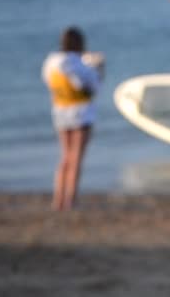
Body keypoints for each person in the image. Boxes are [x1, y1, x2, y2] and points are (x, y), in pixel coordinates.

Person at [42, 27, 105, 211]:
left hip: (60, 111)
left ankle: (57, 200)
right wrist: (99, 68)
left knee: (65, 157)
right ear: (79, 43)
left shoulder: (51, 61)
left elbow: (48, 81)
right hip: (81, 113)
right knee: (76, 158)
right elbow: (92, 87)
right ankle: (70, 200)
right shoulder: (77, 64)